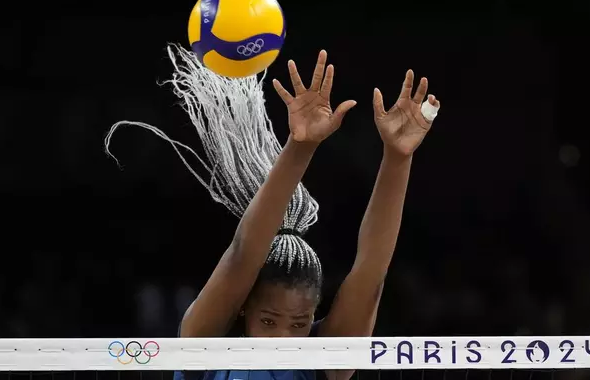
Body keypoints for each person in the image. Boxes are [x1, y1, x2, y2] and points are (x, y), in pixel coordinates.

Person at [105, 47, 439, 380]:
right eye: (268, 321)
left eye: (298, 324)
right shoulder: (203, 346)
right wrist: (300, 146)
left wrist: (398, 158)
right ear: (243, 307)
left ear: (313, 317)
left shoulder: (325, 362)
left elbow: (370, 274)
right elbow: (243, 255)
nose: (282, 339)